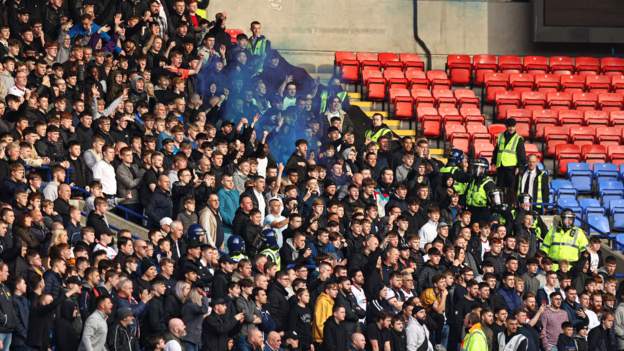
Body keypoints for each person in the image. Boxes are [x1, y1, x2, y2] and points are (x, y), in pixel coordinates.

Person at [494, 118, 526, 202]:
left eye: (513, 126)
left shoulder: (518, 139)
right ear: (506, 127)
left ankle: (510, 205)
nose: (511, 128)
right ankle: (499, 204)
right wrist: (493, 162)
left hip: (512, 168)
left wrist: (519, 167)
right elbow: (496, 150)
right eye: (509, 126)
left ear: (515, 127)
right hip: (500, 166)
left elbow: (521, 154)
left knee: (511, 189)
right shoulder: (500, 136)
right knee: (499, 187)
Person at [465, 158, 498, 222]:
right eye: (475, 167)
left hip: (483, 213)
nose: (476, 170)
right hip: (470, 211)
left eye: (479, 168)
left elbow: (495, 203)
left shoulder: (489, 183)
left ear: (485, 169)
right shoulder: (472, 180)